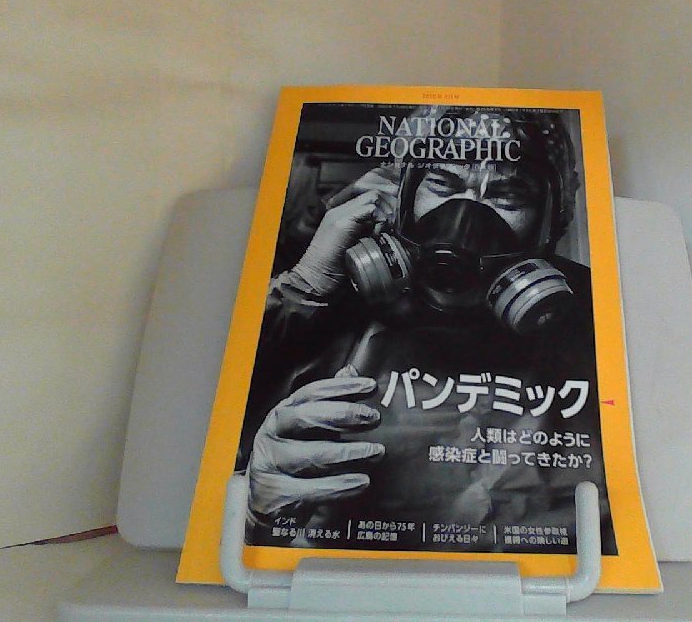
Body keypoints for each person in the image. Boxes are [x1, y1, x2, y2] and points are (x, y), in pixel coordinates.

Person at [239, 108, 614, 554]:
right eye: (442, 185)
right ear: (401, 194)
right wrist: (304, 288)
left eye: (508, 196)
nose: (465, 219)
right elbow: (221, 422)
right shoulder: (319, 306)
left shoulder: (595, 313)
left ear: (550, 220)